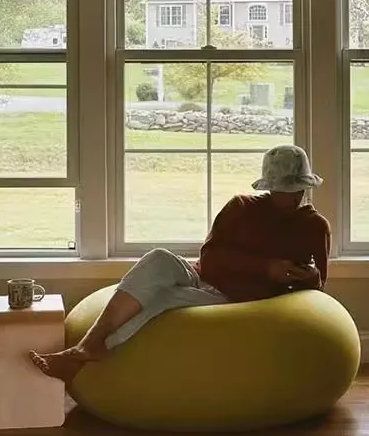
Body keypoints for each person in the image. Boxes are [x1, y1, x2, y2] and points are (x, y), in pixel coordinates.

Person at [29, 144, 332, 383]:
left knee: (161, 299)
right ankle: (89, 345)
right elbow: (210, 260)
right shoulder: (241, 207)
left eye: (297, 190)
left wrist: (306, 276)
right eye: (283, 191)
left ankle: (80, 356)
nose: (291, 198)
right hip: (204, 276)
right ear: (269, 187)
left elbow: (319, 285)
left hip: (236, 297)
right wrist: (266, 267)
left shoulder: (315, 226)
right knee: (158, 258)